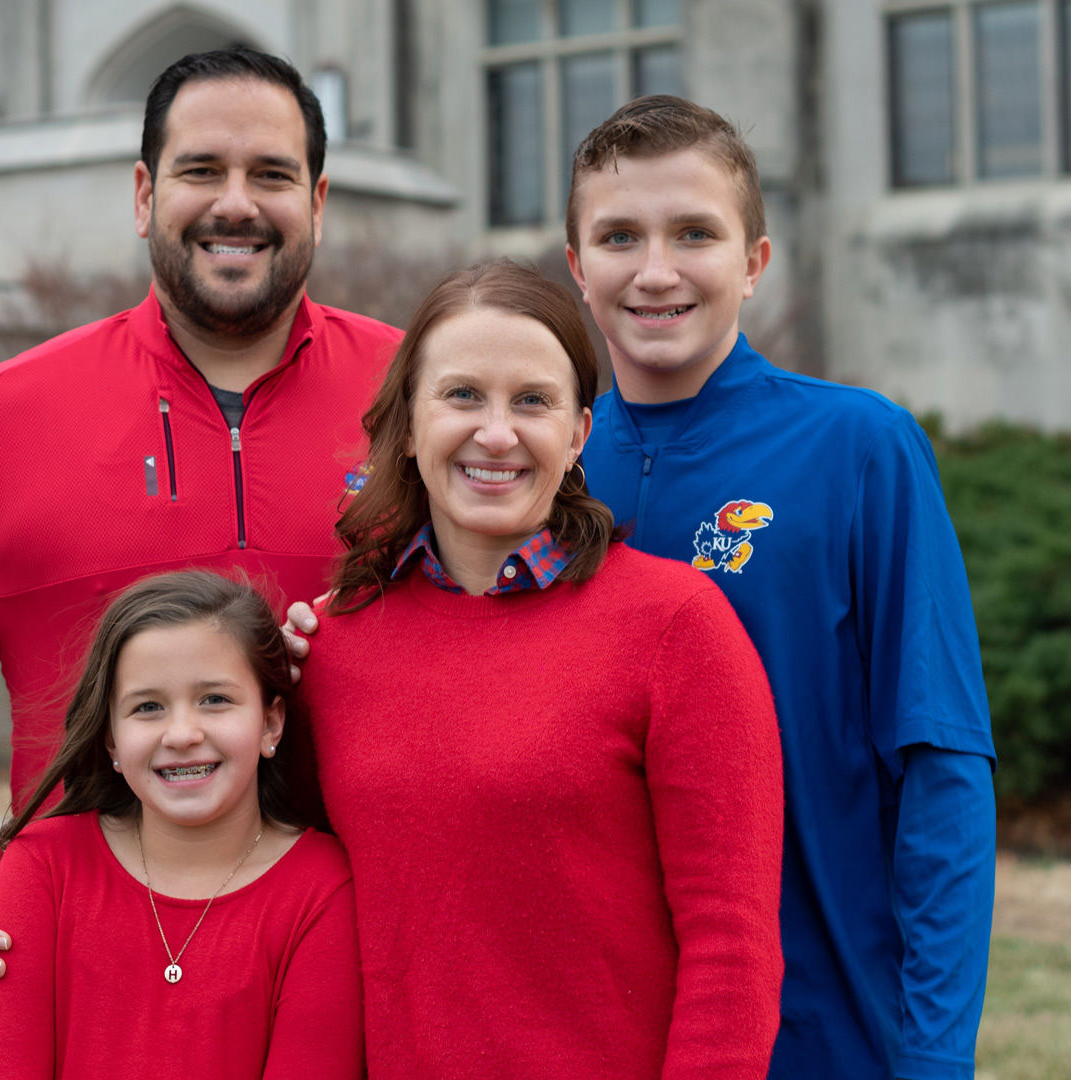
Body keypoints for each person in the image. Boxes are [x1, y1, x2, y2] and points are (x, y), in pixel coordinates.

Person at [0, 44, 401, 979]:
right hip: (88, 981)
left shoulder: (423, 403)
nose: (236, 202)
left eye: (271, 173)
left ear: (318, 201)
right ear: (144, 195)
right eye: (200, 171)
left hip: (370, 974)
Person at [562, 97, 999, 1080]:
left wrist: (933, 1057)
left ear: (755, 263)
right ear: (576, 265)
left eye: (695, 234)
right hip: (600, 1036)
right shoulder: (544, 469)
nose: (657, 270)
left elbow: (942, 769)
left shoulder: (858, 448)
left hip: (824, 1030)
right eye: (620, 236)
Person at [297, 259, 784, 1078]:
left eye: (532, 401)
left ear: (578, 433)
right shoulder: (333, 646)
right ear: (408, 426)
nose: (497, 433)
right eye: (462, 396)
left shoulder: (677, 627)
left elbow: (732, 943)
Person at [0, 570, 361, 1080]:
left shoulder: (323, 890)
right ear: (110, 741)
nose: (182, 734)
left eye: (215, 699)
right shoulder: (41, 869)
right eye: (147, 707)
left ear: (270, 723)